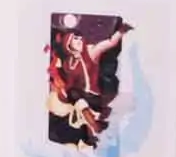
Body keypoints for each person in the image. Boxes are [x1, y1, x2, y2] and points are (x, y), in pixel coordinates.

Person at [44, 17, 134, 149]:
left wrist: (121, 32)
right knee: (73, 95)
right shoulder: (68, 63)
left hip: (93, 97)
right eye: (76, 39)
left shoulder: (91, 51)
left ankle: (95, 126)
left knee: (74, 94)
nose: (80, 41)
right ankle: (93, 129)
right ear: (68, 42)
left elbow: (109, 43)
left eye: (81, 39)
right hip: (80, 100)